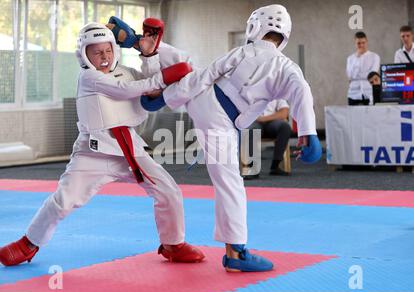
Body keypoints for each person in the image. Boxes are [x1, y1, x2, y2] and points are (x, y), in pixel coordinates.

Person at [0, 22, 205, 267]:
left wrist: (150, 55)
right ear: (84, 55)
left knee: (168, 190)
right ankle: (28, 244)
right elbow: (128, 89)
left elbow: (151, 88)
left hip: (129, 148)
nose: (104, 57)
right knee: (63, 200)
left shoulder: (127, 72)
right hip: (93, 151)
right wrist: (165, 76)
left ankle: (173, 244)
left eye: (108, 51)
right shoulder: (89, 77)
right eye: (96, 52)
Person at [136, 5, 322, 272]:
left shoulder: (245, 50)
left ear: (255, 27)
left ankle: (150, 50)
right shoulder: (287, 68)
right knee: (230, 182)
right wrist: (308, 134)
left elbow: (207, 74)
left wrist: (167, 98)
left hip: (205, 99)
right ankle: (236, 253)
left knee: (188, 66)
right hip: (220, 121)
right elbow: (302, 93)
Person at [241, 100, 292, 179]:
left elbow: (283, 113)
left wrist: (263, 119)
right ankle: (253, 169)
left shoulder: (277, 92)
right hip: (253, 122)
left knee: (285, 127)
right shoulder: (250, 92)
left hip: (272, 122)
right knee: (252, 130)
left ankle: (276, 166)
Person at [346, 32, 380, 105]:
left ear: (367, 42)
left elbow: (372, 76)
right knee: (353, 116)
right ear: (355, 43)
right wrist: (357, 59)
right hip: (353, 94)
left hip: (369, 94)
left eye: (363, 43)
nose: (361, 45)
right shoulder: (350, 59)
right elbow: (350, 76)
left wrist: (357, 77)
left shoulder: (375, 57)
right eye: (358, 43)